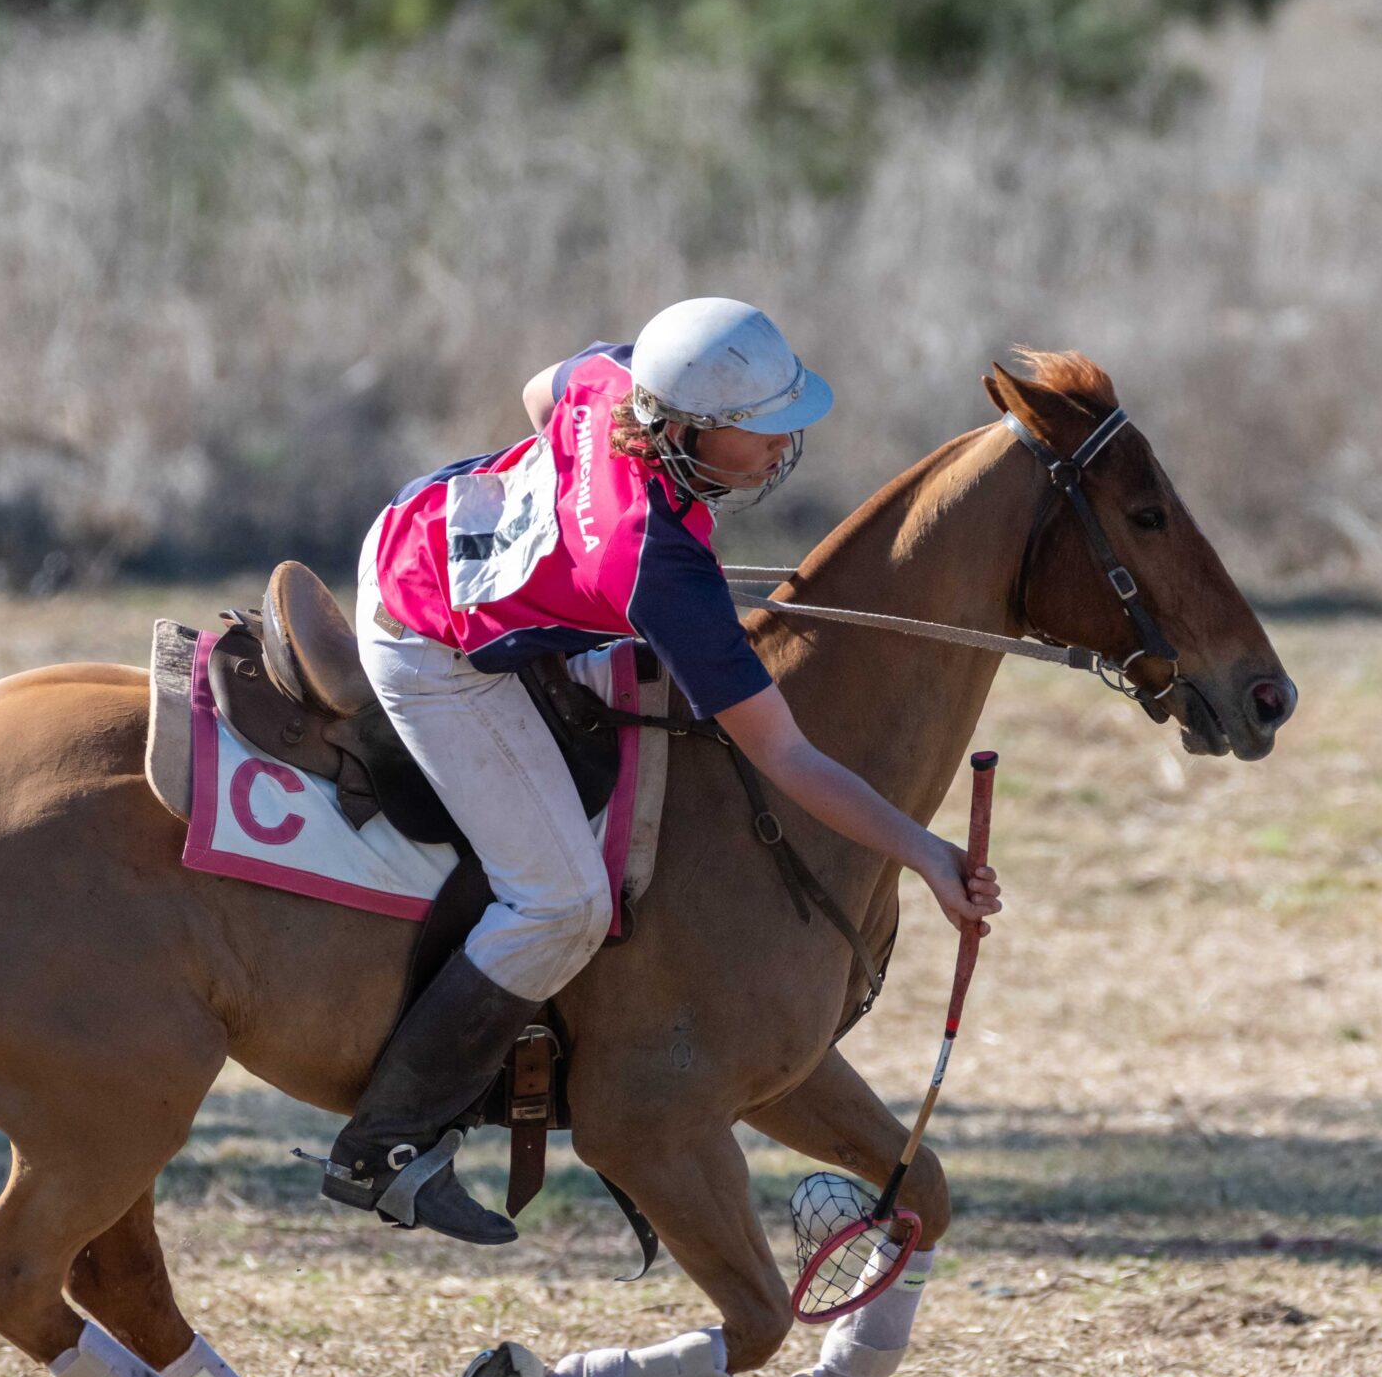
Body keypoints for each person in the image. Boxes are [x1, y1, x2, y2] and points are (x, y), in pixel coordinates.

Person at [317, 298, 1003, 1244]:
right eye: (760, 434)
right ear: (684, 427)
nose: (781, 450)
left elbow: (537, 392)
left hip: (420, 519)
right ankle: (386, 1144)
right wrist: (924, 853)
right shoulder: (655, 566)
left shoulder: (614, 384)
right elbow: (786, 754)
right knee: (562, 903)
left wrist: (569, 534)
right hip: (425, 643)